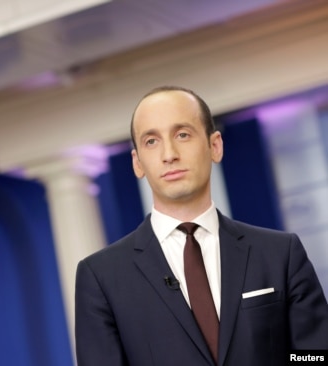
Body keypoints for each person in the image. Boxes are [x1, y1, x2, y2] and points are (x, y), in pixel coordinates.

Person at [75, 86, 328, 366]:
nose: (169, 154)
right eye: (151, 141)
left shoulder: (280, 253)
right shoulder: (100, 276)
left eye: (182, 135)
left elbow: (314, 355)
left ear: (215, 146)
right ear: (137, 163)